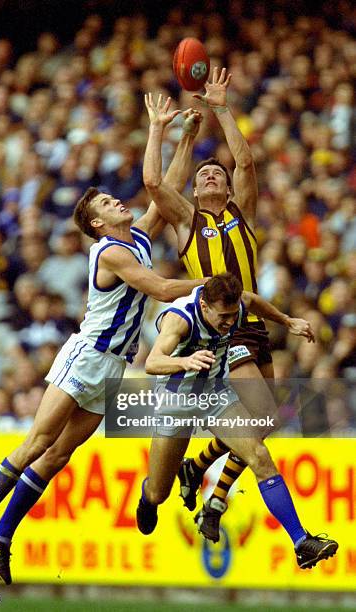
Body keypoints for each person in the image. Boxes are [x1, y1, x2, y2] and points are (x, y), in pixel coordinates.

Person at [0, 100, 206, 586]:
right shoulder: (112, 250)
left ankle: (4, 535)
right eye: (107, 205)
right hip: (87, 356)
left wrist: (184, 138)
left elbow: (166, 189)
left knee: (58, 456)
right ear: (97, 223)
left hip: (112, 368)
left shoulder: (134, 237)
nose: (119, 202)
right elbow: (158, 289)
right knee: (38, 442)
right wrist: (208, 283)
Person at [142, 75, 287, 540]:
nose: (210, 174)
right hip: (220, 330)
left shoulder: (240, 212)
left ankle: (201, 472)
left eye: (217, 174)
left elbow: (244, 161)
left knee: (263, 423)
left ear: (226, 188)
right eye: (204, 174)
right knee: (261, 418)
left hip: (253, 325)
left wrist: (222, 109)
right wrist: (166, 131)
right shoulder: (188, 221)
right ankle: (204, 489)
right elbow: (153, 184)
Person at [136, 273, 338, 570]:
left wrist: (287, 321)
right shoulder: (180, 319)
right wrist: (184, 362)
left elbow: (253, 301)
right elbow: (152, 361)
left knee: (259, 454)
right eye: (223, 317)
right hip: (175, 401)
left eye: (233, 316)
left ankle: (300, 541)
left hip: (216, 395)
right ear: (204, 306)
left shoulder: (236, 306)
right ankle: (151, 496)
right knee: (159, 492)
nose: (230, 322)